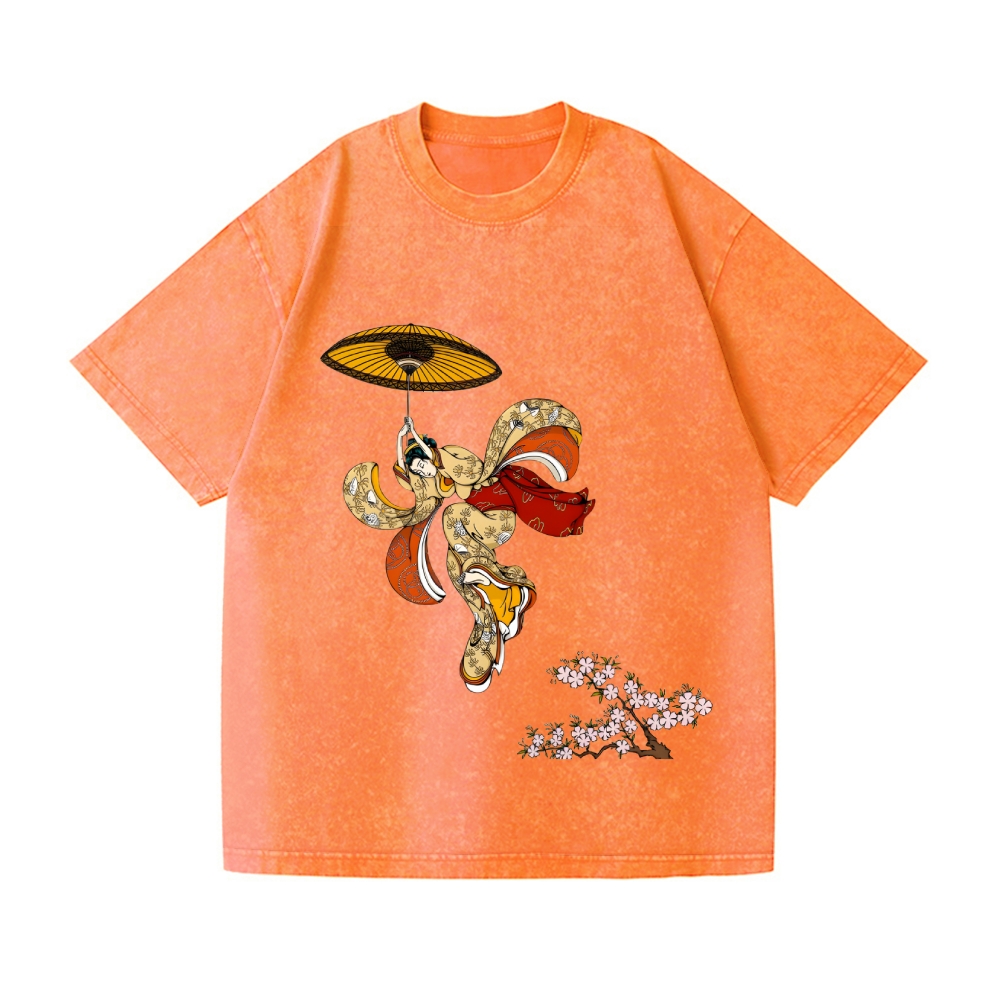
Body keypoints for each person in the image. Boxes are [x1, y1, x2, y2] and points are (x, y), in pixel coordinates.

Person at [342, 400, 595, 692]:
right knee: (454, 563)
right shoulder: (431, 480)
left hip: (497, 518)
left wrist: (421, 444)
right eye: (418, 469)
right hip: (478, 524)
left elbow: (472, 471)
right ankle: (490, 613)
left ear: (431, 455)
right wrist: (401, 438)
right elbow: (405, 471)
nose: (422, 470)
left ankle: (492, 581)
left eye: (423, 463)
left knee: (453, 515)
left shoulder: (451, 457)